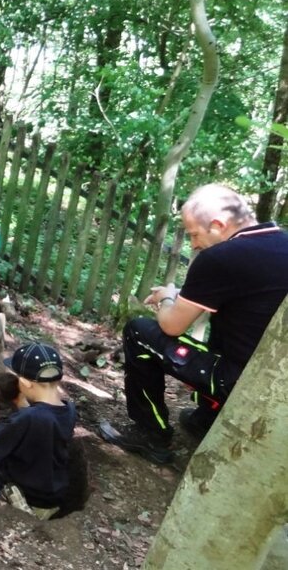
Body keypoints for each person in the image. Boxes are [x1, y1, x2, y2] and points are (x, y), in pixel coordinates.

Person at [107, 184, 288, 464]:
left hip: (236, 379)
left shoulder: (220, 258)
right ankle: (205, 419)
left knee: (139, 332)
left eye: (194, 234)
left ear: (217, 225)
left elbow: (171, 326)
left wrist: (167, 298)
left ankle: (150, 433)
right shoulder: (280, 244)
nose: (193, 244)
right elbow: (244, 298)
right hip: (273, 379)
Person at [0, 342, 76, 520]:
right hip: (54, 490)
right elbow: (40, 421)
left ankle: (2, 495)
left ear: (24, 382)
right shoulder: (68, 409)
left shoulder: (30, 418)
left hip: (31, 495)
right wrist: (21, 402)